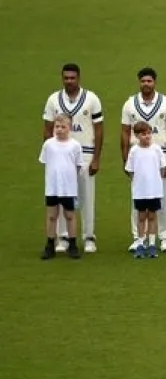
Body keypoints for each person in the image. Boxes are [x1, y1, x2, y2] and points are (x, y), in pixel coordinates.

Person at [43, 63, 103, 254]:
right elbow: (47, 129)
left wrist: (96, 158)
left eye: (72, 78)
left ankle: (89, 237)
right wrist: (52, 154)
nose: (69, 81)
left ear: (79, 78)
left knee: (86, 197)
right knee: (62, 196)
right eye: (66, 78)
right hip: (61, 156)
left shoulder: (91, 99)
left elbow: (99, 130)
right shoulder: (53, 100)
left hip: (85, 154)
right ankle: (62, 237)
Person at [121, 67, 166, 253]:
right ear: (139, 82)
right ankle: (139, 238)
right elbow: (125, 131)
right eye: (143, 81)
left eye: (149, 81)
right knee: (137, 198)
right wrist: (125, 157)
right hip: (137, 156)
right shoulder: (130, 104)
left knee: (163, 198)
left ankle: (165, 237)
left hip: (159, 155)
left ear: (155, 82)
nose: (146, 84)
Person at [39, 114, 83, 260]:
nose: (59, 129)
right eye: (57, 126)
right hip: (52, 187)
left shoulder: (75, 146)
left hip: (68, 188)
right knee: (52, 216)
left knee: (70, 215)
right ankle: (50, 245)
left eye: (63, 127)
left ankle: (73, 245)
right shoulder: (48, 145)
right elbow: (46, 162)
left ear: (69, 128)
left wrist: (70, 180)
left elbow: (78, 165)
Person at [125, 121, 166, 259]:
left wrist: (155, 182)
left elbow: (162, 168)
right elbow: (130, 170)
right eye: (143, 134)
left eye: (149, 133)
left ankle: (152, 244)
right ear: (137, 136)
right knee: (141, 217)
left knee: (152, 216)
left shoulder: (156, 149)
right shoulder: (134, 151)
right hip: (140, 192)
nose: (147, 136)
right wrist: (138, 183)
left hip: (154, 190)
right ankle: (140, 243)